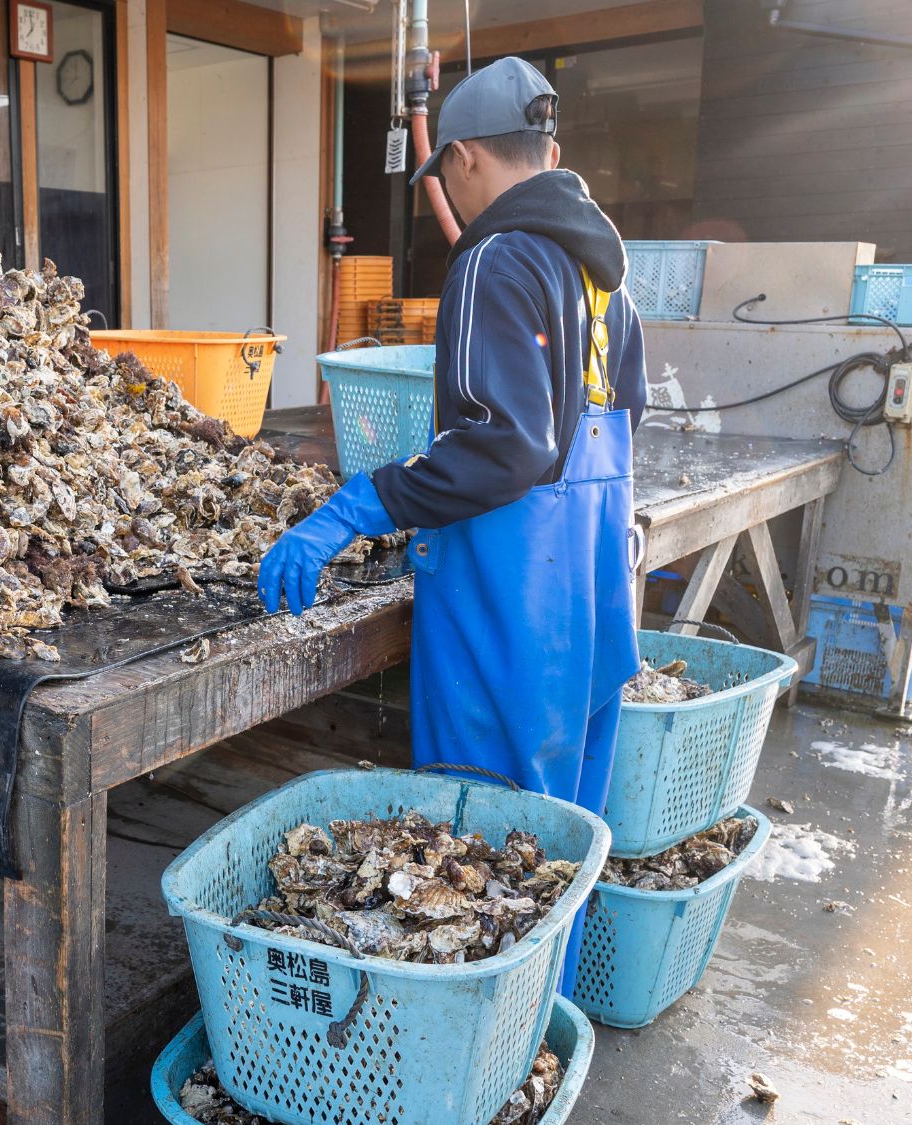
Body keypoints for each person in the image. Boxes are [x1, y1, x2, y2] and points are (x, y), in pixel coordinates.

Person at [256, 58, 646, 989]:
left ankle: (491, 1037)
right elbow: (621, 419)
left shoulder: (494, 258)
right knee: (559, 843)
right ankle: (543, 1016)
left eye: (446, 173)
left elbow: (503, 447)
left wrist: (356, 506)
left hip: (511, 603)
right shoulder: (604, 276)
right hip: (593, 587)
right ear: (549, 150)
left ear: (465, 158)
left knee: (477, 854)